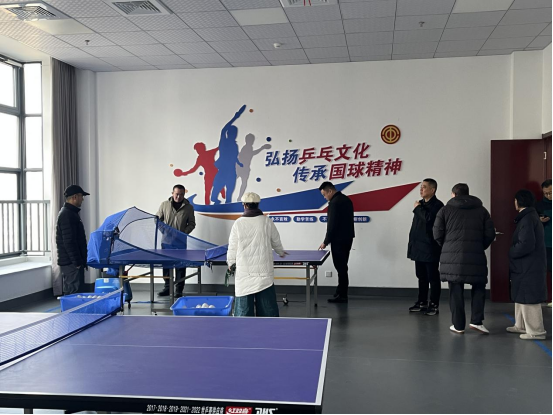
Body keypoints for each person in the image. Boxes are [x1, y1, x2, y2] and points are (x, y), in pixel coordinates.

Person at [433, 183, 496, 335]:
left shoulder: (445, 210)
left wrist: (448, 246)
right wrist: (479, 246)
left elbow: (437, 233)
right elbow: (490, 234)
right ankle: (477, 321)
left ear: (454, 194)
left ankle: (458, 325)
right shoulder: (481, 210)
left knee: (455, 290)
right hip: (476, 255)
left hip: (452, 257)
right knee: (479, 286)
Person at [227, 192, 286, 317]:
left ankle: (244, 329)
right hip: (264, 273)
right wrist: (280, 252)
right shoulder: (267, 221)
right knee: (268, 313)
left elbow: (232, 247)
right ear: (258, 205)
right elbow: (276, 241)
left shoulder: (238, 223)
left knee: (243, 313)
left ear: (244, 205)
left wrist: (231, 263)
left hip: (244, 274)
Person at [507, 190, 547, 340]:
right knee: (521, 295)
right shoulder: (529, 216)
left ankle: (536, 331)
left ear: (518, 201)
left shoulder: (528, 218)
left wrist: (512, 251)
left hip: (528, 265)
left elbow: (526, 244)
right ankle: (521, 325)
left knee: (529, 297)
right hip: (527, 265)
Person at [407, 179, 444, 316]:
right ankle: (422, 302)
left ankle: (434, 304)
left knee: (433, 277)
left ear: (432, 190)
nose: (421, 189)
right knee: (421, 276)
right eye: (421, 187)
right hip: (418, 246)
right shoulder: (421, 203)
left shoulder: (438, 205)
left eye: (424, 187)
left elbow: (428, 219)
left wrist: (417, 209)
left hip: (430, 247)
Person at [156, 185, 196, 297]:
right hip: (166, 242)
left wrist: (183, 233)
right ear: (172, 193)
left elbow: (192, 224)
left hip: (181, 242)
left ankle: (179, 290)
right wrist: (164, 231)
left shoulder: (189, 208)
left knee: (180, 266)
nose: (178, 196)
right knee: (167, 265)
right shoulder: (164, 205)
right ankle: (167, 288)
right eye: (177, 194)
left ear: (184, 194)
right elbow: (157, 220)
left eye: (181, 194)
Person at [319, 182, 355, 304]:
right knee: (343, 266)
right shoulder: (346, 199)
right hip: (347, 238)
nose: (325, 197)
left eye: (324, 194)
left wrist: (325, 242)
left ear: (330, 191)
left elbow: (332, 224)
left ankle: (342, 295)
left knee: (341, 267)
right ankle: (340, 291)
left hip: (338, 240)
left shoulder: (335, 203)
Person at [56, 185, 90, 295]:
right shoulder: (67, 215)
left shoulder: (71, 213)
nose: (82, 199)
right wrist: (77, 263)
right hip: (71, 263)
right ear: (75, 197)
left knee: (77, 292)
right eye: (81, 196)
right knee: (73, 293)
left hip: (73, 262)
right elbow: (69, 242)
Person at [211, 105, 246, 205]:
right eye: (232, 133)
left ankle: (228, 205)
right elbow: (223, 129)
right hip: (223, 170)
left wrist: (239, 163)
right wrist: (235, 117)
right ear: (228, 133)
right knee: (217, 188)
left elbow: (234, 157)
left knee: (230, 190)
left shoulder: (235, 145)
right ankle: (215, 200)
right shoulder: (224, 142)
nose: (234, 135)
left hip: (231, 169)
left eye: (235, 133)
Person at [236, 134, 271, 202]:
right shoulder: (246, 147)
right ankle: (236, 196)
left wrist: (262, 148)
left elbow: (251, 153)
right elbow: (249, 154)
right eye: (250, 140)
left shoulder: (249, 147)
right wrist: (262, 148)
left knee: (244, 183)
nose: (251, 141)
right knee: (237, 181)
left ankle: (240, 197)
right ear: (246, 140)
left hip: (245, 168)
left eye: (252, 140)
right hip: (241, 168)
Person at [536, 179, 552, 308]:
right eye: (546, 193)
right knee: (546, 271)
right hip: (546, 244)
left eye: (551, 192)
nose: (548, 195)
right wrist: (540, 220)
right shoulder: (539, 205)